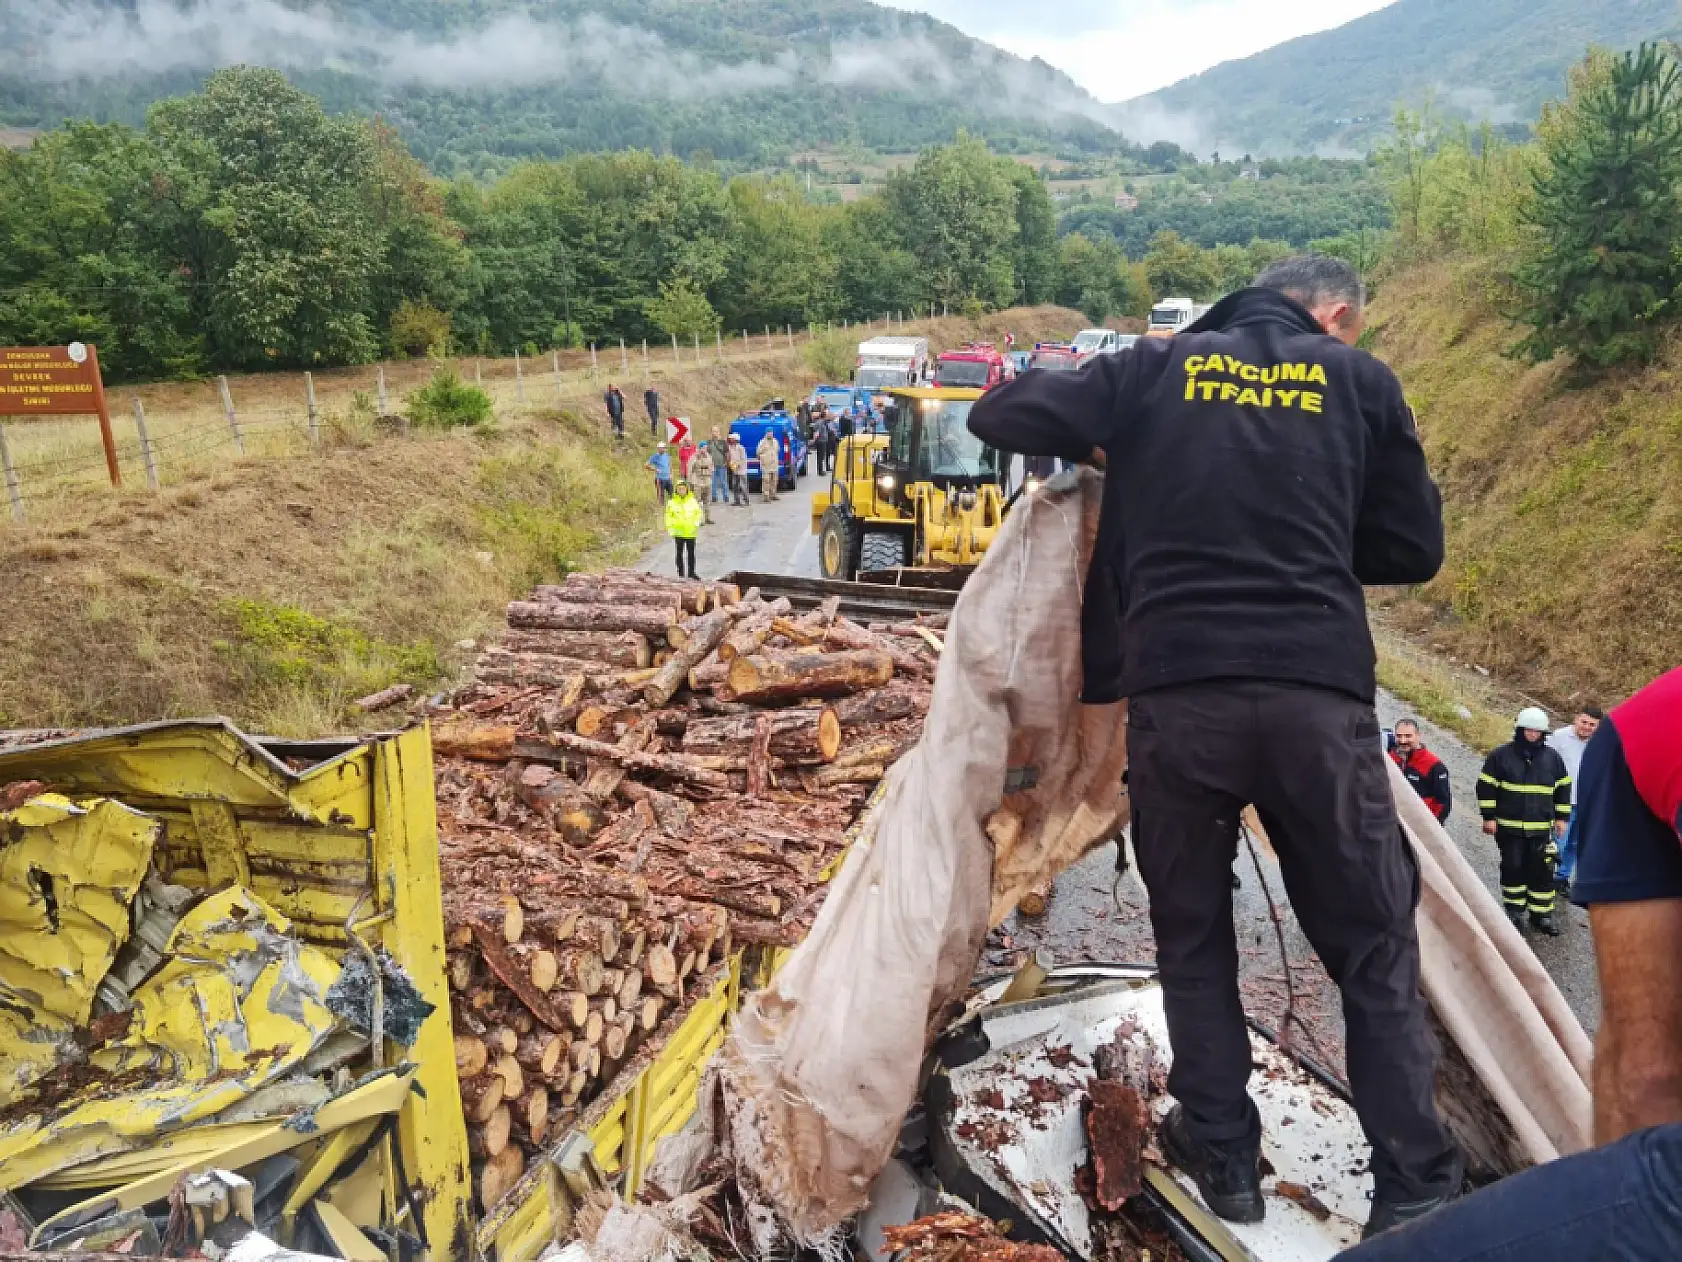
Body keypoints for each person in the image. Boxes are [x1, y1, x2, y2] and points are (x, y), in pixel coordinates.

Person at [967, 254, 1458, 1238]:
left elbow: (1000, 417)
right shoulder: (1357, 380)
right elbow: (1411, 550)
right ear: (1332, 316)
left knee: (1193, 941)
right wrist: (1307, 521)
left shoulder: (1151, 370)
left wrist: (1123, 456)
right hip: (1312, 700)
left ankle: (1224, 1160)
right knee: (1370, 947)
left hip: (1178, 701)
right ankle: (1413, 1184)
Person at [1337, 667, 1682, 1262]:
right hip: (1514, 840)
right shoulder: (1519, 753)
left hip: (1545, 837)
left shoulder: (1649, 728)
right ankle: (1529, 914)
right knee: (1520, 890)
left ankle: (1538, 914)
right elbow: (1485, 789)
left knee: (1538, 890)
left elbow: (1646, 1074)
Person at [1478, 707, 1573, 936]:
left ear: (1543, 734)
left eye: (1537, 731)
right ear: (1520, 730)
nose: (1532, 735)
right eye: (1528, 730)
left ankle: (1541, 915)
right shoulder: (1500, 756)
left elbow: (1563, 788)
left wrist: (1562, 819)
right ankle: (1514, 910)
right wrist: (1489, 818)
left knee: (1541, 871)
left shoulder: (1552, 759)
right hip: (1509, 828)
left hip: (1540, 830)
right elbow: (1486, 788)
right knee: (1513, 868)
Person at [1547, 706, 1604, 897]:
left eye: (1592, 725)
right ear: (1576, 719)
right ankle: (1545, 878)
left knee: (1575, 844)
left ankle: (1561, 878)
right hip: (1562, 802)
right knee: (1558, 844)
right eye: (1584, 722)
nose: (1586, 727)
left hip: (1587, 803)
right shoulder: (1560, 737)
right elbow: (1545, 762)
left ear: (1598, 726)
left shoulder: (1600, 744)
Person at [1391, 718, 1453, 823]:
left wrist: (1432, 826)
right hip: (1392, 821)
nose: (1402, 740)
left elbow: (1443, 803)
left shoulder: (1434, 766)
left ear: (1418, 735)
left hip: (1419, 825)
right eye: (1399, 736)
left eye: (1408, 736)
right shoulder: (1390, 757)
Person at [664, 479, 703, 579]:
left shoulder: (692, 501)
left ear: (687, 490)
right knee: (679, 554)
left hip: (690, 532)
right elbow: (668, 517)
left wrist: (696, 523)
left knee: (691, 554)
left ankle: (691, 572)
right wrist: (671, 529)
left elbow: (698, 513)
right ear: (676, 490)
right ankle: (680, 574)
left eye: (683, 489)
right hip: (679, 533)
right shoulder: (671, 503)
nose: (682, 491)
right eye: (679, 489)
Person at [688, 442, 716, 524]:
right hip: (697, 481)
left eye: (705, 448)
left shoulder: (709, 457)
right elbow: (689, 469)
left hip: (707, 481)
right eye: (703, 448)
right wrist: (690, 481)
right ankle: (699, 519)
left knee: (707, 501)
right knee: (698, 501)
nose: (704, 449)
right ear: (699, 448)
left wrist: (711, 476)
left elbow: (712, 467)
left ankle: (707, 518)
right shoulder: (694, 457)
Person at [706, 426, 731, 507]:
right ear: (711, 433)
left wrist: (726, 463)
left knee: (723, 481)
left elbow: (727, 453)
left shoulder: (723, 442)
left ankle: (726, 496)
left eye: (716, 431)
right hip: (712, 466)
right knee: (713, 482)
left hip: (722, 465)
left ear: (719, 432)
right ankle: (714, 497)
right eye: (713, 431)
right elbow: (707, 453)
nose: (714, 433)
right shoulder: (709, 442)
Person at [756, 429, 781, 502]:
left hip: (774, 465)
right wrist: (763, 458)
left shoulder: (775, 441)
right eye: (769, 433)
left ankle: (773, 495)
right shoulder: (762, 442)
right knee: (766, 481)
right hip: (766, 465)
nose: (770, 434)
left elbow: (778, 450)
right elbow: (757, 453)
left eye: (771, 433)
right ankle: (766, 496)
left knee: (774, 480)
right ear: (766, 433)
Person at [726, 434, 750, 506]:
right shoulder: (730, 448)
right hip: (735, 470)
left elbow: (743, 459)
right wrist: (729, 463)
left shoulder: (741, 448)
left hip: (742, 471)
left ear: (735, 440)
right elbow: (729, 458)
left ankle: (746, 501)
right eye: (730, 439)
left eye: (732, 439)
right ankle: (737, 501)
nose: (730, 440)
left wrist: (737, 465)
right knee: (734, 486)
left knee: (743, 486)